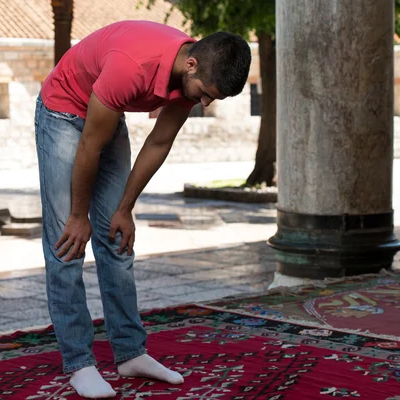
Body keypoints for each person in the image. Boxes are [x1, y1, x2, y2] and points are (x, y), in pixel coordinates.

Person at [35, 20, 251, 398]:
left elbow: (159, 142)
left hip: (105, 112)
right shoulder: (131, 66)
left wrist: (125, 208)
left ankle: (131, 352)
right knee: (66, 243)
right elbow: (88, 146)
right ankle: (79, 363)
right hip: (63, 112)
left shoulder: (192, 75)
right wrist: (77, 215)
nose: (204, 103)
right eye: (204, 94)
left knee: (117, 238)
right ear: (191, 65)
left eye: (212, 99)